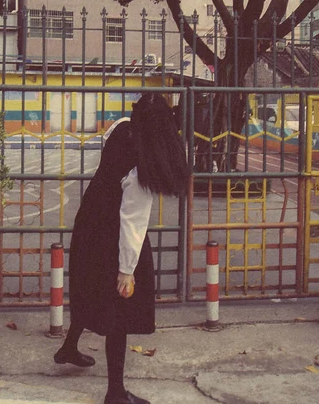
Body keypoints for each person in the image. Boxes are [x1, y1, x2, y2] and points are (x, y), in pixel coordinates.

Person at [54, 93, 189, 404]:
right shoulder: (142, 163)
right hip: (112, 238)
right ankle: (115, 392)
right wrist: (127, 270)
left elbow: (117, 130)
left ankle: (69, 347)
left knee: (90, 290)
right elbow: (132, 221)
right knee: (119, 312)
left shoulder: (119, 129)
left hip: (88, 225)